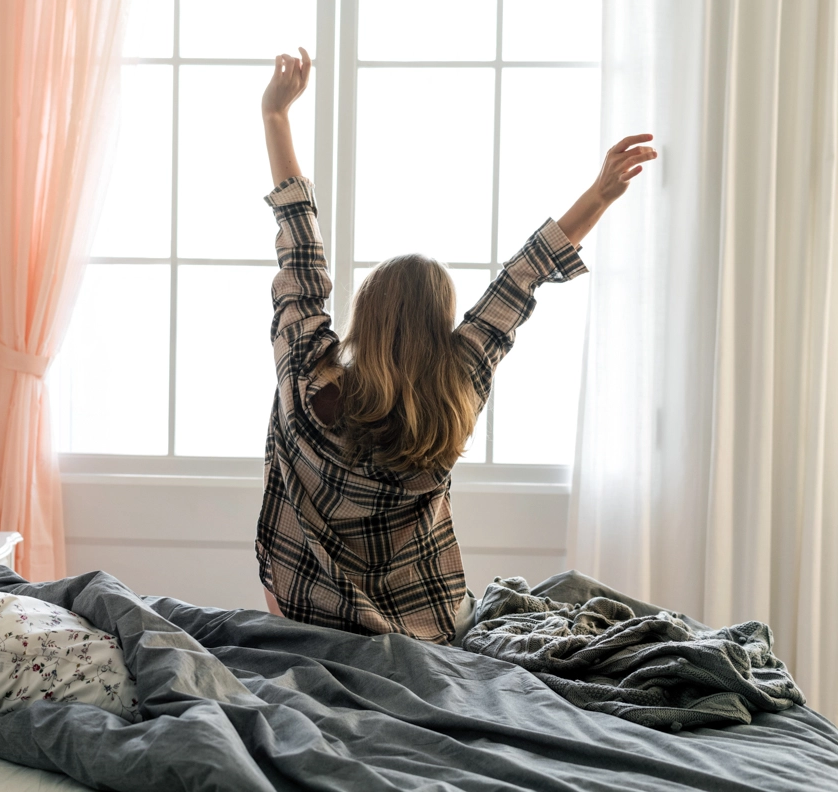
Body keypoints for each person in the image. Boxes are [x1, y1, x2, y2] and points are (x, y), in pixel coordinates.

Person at [256, 48, 658, 644]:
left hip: (308, 618)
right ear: (439, 327)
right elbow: (522, 277)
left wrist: (276, 116)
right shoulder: (458, 380)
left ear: (366, 316)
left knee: (291, 556)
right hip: (431, 629)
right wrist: (599, 193)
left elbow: (301, 247)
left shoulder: (307, 373)